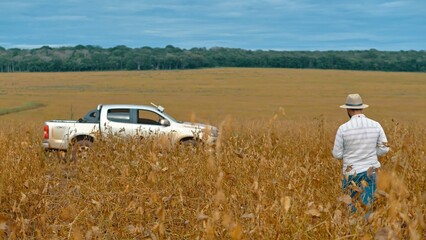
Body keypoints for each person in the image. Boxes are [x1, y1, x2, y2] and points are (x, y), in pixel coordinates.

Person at [332, 94, 389, 212]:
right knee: (368, 207)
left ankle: (353, 230)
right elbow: (385, 149)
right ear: (362, 108)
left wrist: (350, 154)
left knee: (351, 208)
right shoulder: (376, 125)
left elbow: (337, 154)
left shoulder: (343, 128)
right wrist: (372, 152)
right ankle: (369, 229)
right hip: (372, 170)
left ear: (348, 109)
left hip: (351, 173)